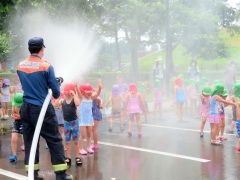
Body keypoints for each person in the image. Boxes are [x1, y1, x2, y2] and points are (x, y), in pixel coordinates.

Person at [17, 37, 72, 179]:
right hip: (41, 109)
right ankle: (61, 175)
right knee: (54, 140)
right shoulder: (46, 66)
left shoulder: (20, 65)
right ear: (42, 48)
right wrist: (56, 83)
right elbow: (56, 93)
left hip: (26, 109)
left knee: (30, 141)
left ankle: (33, 174)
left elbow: (32, 84)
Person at [61, 83, 81, 168]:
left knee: (76, 142)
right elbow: (55, 104)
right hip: (66, 123)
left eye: (68, 92)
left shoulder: (74, 99)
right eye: (66, 92)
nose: (67, 93)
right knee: (67, 142)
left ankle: (77, 157)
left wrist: (75, 94)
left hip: (74, 122)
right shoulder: (62, 100)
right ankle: (68, 157)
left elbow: (77, 104)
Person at [78, 82, 102, 155]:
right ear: (83, 93)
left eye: (90, 93)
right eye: (87, 93)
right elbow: (79, 93)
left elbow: (97, 94)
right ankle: (80, 148)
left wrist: (100, 88)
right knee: (82, 135)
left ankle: (88, 147)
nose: (89, 94)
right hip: (82, 119)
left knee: (89, 134)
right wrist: (76, 87)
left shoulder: (91, 98)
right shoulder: (81, 98)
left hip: (89, 119)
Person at [9, 93, 24, 162]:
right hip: (16, 122)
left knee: (25, 137)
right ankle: (14, 155)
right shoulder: (14, 103)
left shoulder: (26, 105)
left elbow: (28, 116)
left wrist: (20, 116)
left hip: (25, 122)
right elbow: (13, 113)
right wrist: (14, 116)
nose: (18, 106)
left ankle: (28, 153)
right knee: (13, 138)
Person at [232, 83, 240, 151]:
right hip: (238, 120)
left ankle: (239, 146)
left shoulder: (234, 97)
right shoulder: (237, 99)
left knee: (239, 134)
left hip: (238, 120)